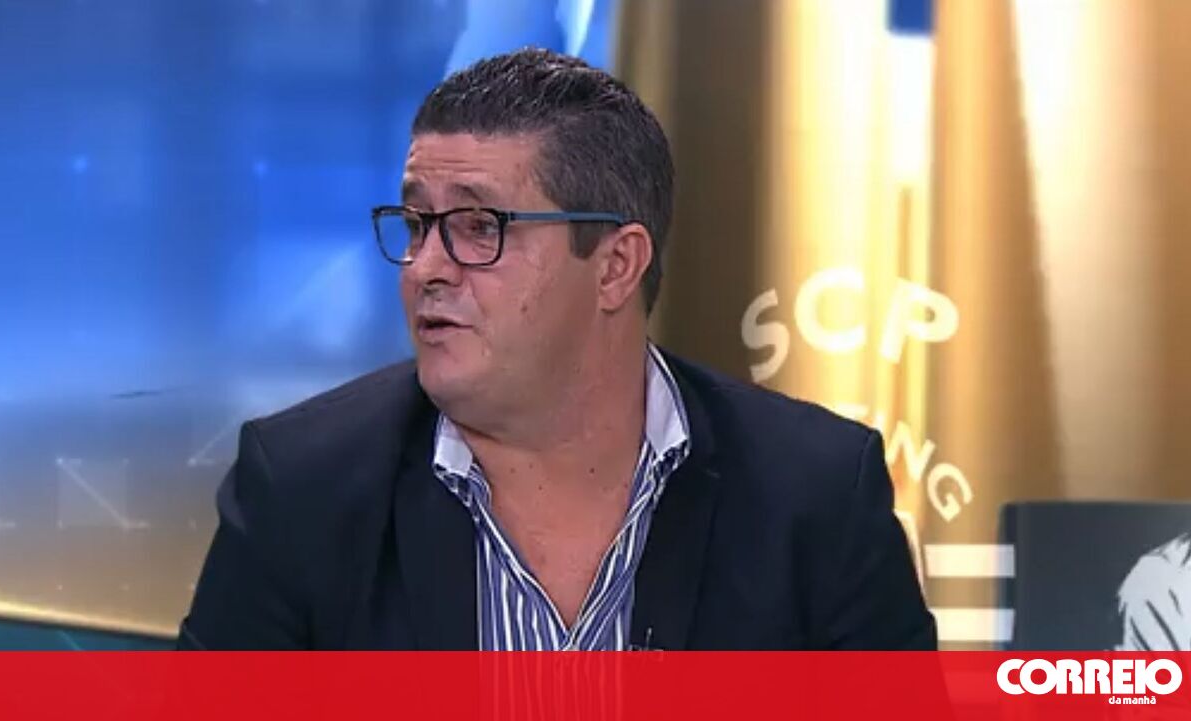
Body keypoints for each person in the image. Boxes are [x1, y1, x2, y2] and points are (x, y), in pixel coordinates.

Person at [178, 48, 936, 650]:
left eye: (478, 227)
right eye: (416, 224)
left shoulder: (816, 500)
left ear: (615, 266)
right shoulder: (301, 492)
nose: (425, 267)